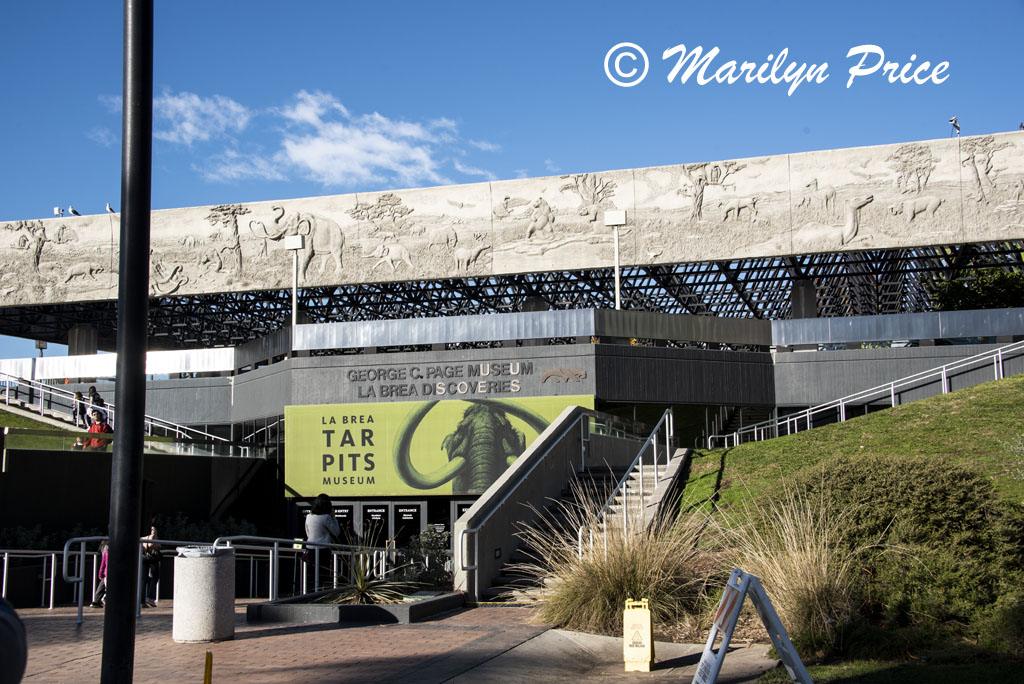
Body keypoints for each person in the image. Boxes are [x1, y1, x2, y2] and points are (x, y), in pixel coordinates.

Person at [142, 516, 160, 607]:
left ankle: (141, 600)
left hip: (143, 556)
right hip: (152, 555)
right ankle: (150, 597)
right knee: (155, 576)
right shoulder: (152, 529)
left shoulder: (140, 529)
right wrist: (158, 545)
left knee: (143, 578)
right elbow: (152, 542)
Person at [91, 540, 109, 608]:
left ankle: (96, 600)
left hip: (106, 573)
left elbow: (102, 564)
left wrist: (100, 574)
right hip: (111, 573)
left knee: (102, 586)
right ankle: (102, 599)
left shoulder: (106, 552)